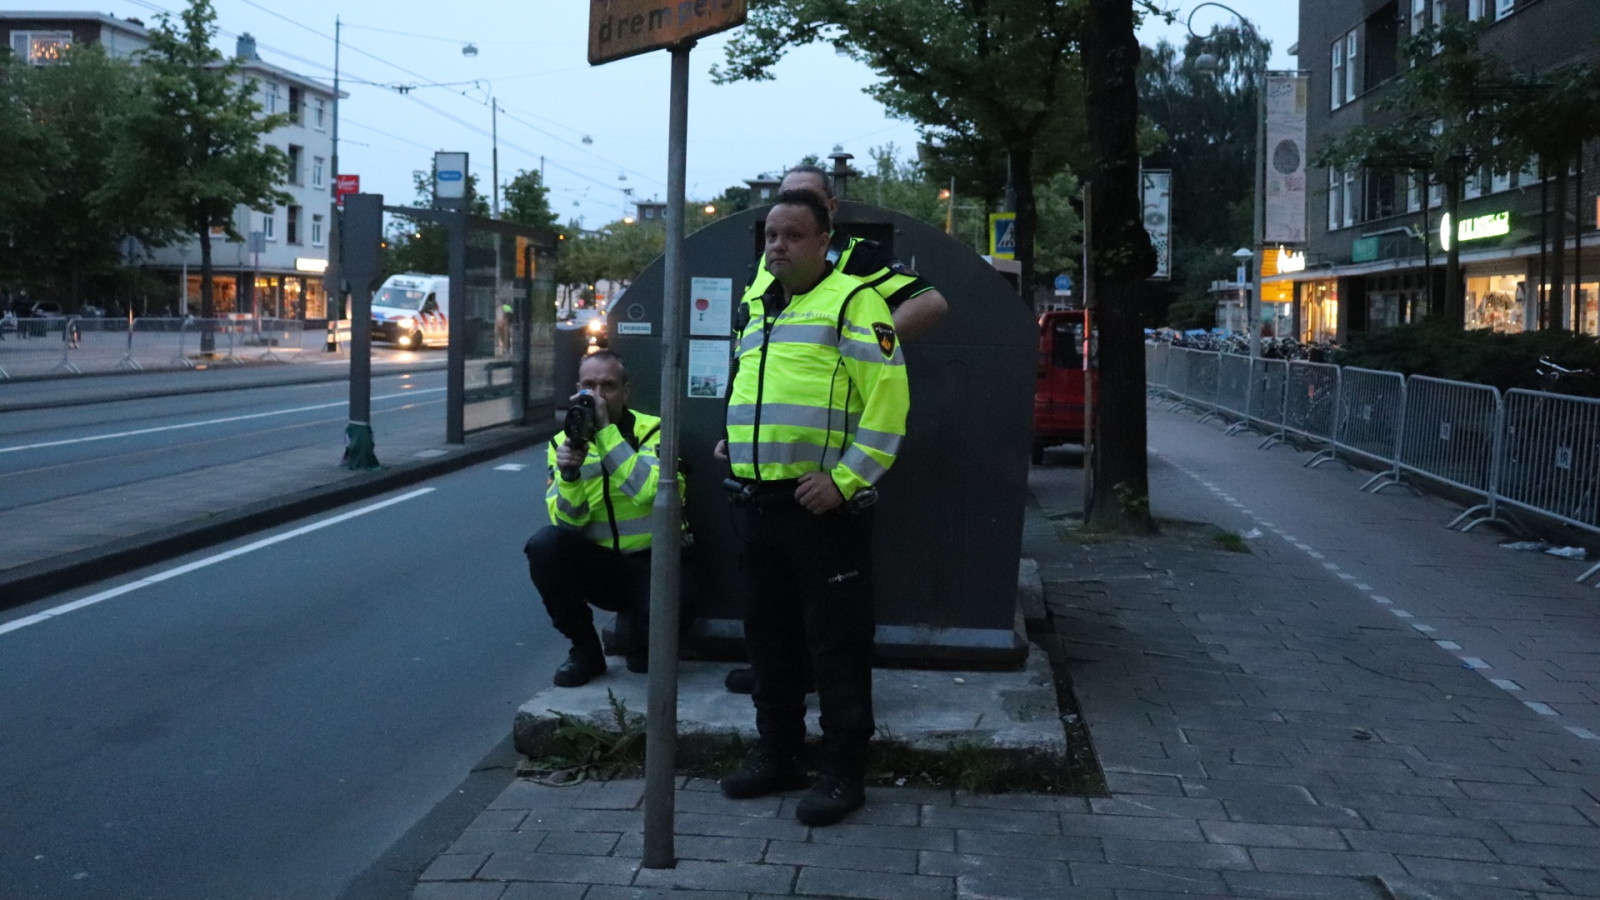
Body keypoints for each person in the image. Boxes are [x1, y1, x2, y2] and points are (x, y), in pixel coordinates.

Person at [715, 189, 910, 827]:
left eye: (793, 235)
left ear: (825, 241)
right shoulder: (756, 305)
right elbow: (757, 388)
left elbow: (888, 403)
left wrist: (848, 481)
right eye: (771, 235)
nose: (778, 246)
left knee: (837, 648)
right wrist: (738, 442)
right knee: (768, 644)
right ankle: (779, 755)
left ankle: (842, 772)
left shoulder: (855, 302)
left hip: (823, 512)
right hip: (757, 503)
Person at [721, 163, 948, 695]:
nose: (780, 237)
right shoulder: (765, 273)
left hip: (826, 480)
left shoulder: (858, 264)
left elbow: (932, 303)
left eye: (802, 204)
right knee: (770, 617)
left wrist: (867, 343)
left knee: (835, 625)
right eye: (780, 205)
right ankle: (778, 706)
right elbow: (755, 357)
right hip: (761, 483)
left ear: (829, 216)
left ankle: (837, 742)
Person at [524, 350, 680, 687]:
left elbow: (649, 492)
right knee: (545, 545)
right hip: (602, 566)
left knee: (645, 662)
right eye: (589, 386)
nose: (597, 395)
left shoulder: (654, 431)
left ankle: (642, 633)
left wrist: (606, 433)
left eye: (607, 386)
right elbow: (568, 526)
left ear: (626, 391)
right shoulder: (562, 443)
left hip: (654, 564)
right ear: (576, 389)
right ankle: (584, 650)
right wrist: (569, 475)